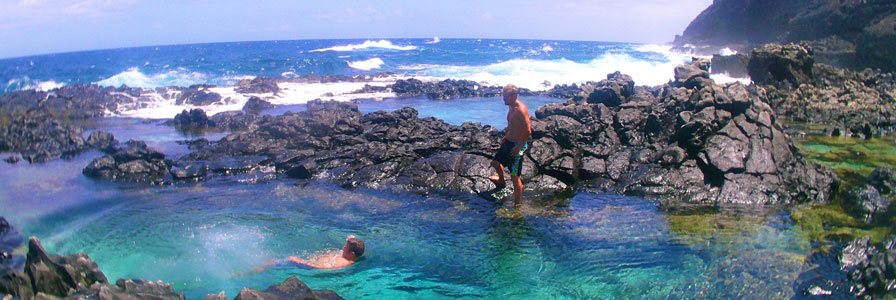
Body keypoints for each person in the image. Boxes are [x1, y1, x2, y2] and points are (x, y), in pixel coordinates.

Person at [489, 84, 531, 207]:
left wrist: (518, 148)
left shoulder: (521, 110)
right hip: (508, 141)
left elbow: (528, 131)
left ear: (514, 96)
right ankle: (501, 180)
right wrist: (507, 135)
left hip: (517, 145)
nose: (503, 99)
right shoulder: (511, 106)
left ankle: (517, 205)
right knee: (495, 163)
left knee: (514, 177)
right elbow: (513, 125)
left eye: (506, 97)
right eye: (503, 96)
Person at [264, 235, 365, 270]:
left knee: (279, 262)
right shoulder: (349, 254)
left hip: (308, 265)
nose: (343, 247)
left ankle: (260, 268)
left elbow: (322, 268)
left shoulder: (343, 263)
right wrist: (352, 239)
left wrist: (300, 262)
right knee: (274, 261)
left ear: (352, 254)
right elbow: (352, 244)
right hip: (311, 259)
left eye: (346, 247)